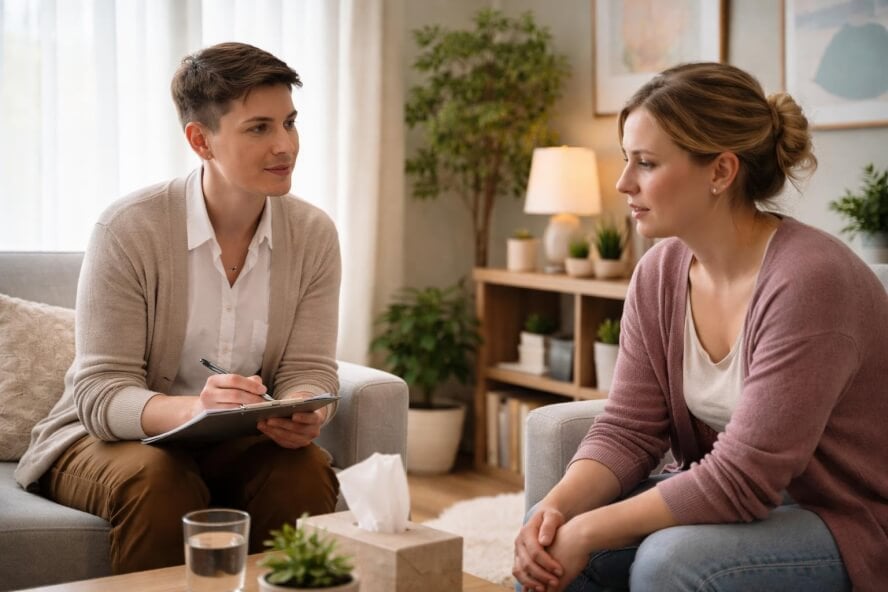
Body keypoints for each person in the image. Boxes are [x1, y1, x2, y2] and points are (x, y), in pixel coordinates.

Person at [513, 62, 888, 592]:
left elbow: (744, 478)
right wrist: (556, 508)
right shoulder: (659, 273)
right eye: (627, 159)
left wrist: (590, 530)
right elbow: (629, 429)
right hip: (744, 499)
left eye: (646, 163)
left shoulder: (810, 281)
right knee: (548, 535)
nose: (623, 183)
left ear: (721, 172)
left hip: (845, 515)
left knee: (670, 562)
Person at [14, 42, 342, 574]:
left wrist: (306, 408)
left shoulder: (314, 234)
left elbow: (310, 369)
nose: (285, 145)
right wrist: (197, 410)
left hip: (234, 442)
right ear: (200, 140)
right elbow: (100, 393)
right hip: (105, 441)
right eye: (259, 128)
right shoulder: (129, 228)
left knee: (303, 470)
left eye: (290, 122)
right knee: (161, 478)